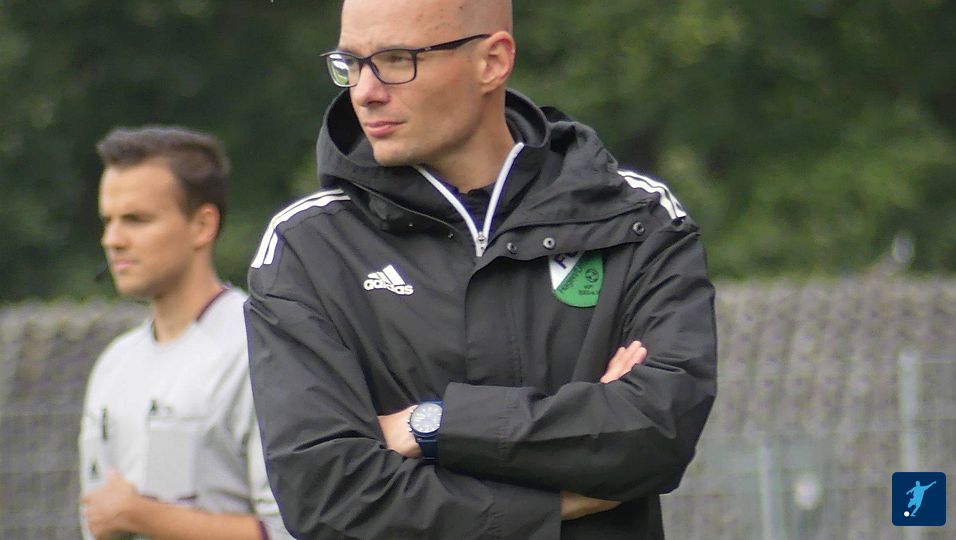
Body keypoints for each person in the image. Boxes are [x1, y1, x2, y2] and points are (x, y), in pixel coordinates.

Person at [245, 0, 717, 538]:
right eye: (351, 63)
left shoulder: (637, 218)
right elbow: (328, 497)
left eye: (397, 60)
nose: (364, 92)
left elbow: (655, 432)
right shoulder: (307, 247)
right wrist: (554, 503)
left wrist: (433, 425)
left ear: (492, 61)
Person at [79, 126, 292, 540]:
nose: (112, 239)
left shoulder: (261, 348)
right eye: (108, 220)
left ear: (202, 225)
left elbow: (293, 531)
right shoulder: (112, 365)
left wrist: (142, 516)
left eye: (136, 219)